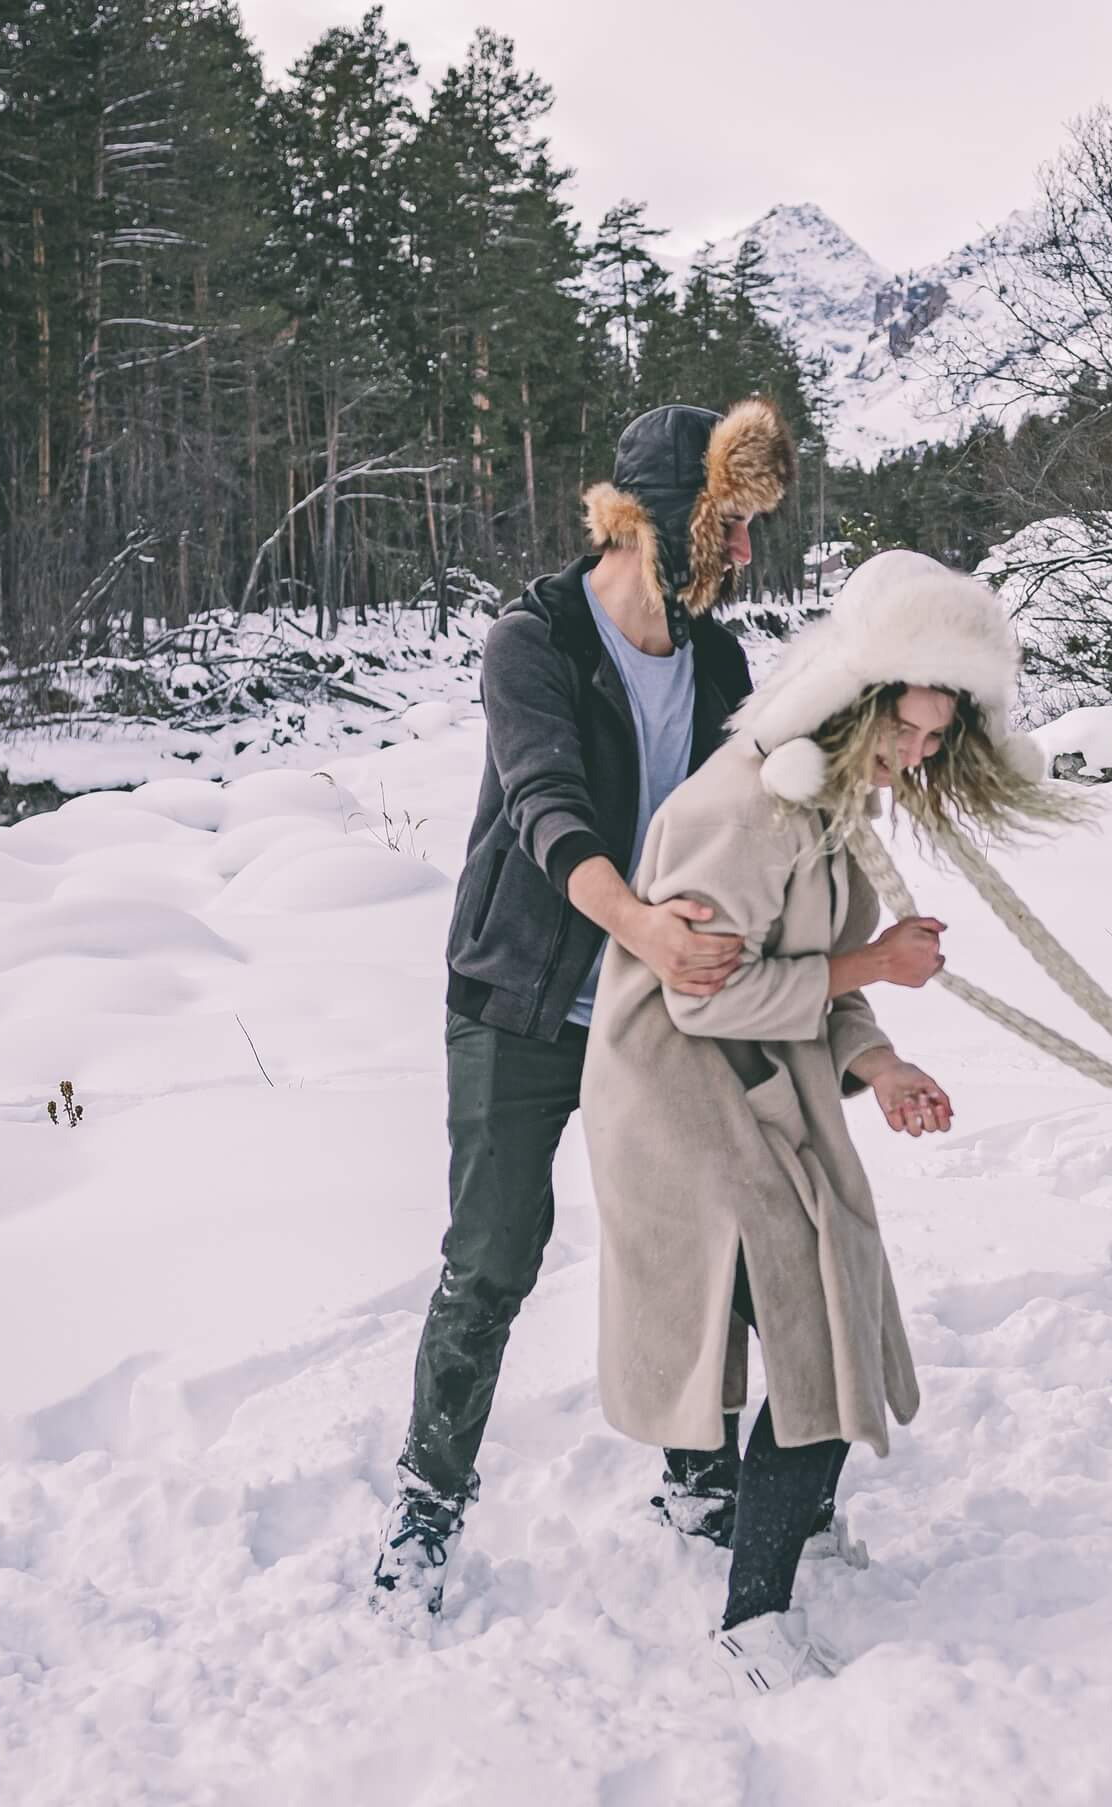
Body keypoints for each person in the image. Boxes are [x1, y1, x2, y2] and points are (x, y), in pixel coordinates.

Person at [579, 550, 1075, 1695]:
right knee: (808, 1312)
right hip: (675, 1095)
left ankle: (783, 1518)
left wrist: (884, 1061)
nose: (920, 753)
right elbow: (703, 989)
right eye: (908, 728)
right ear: (853, 710)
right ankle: (752, 1617)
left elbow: (818, 981)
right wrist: (874, 967)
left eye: (938, 736)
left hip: (761, 1081)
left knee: (836, 1290)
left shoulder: (830, 809)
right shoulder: (739, 812)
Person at [372, 396, 799, 1621]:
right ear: (671, 523)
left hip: (656, 1005)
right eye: (736, 526)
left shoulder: (719, 661)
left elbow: (759, 808)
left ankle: (695, 1472)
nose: (750, 555)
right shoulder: (537, 639)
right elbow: (547, 809)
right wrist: (648, 929)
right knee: (492, 1257)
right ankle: (428, 1501)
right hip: (520, 997)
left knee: (691, 1237)